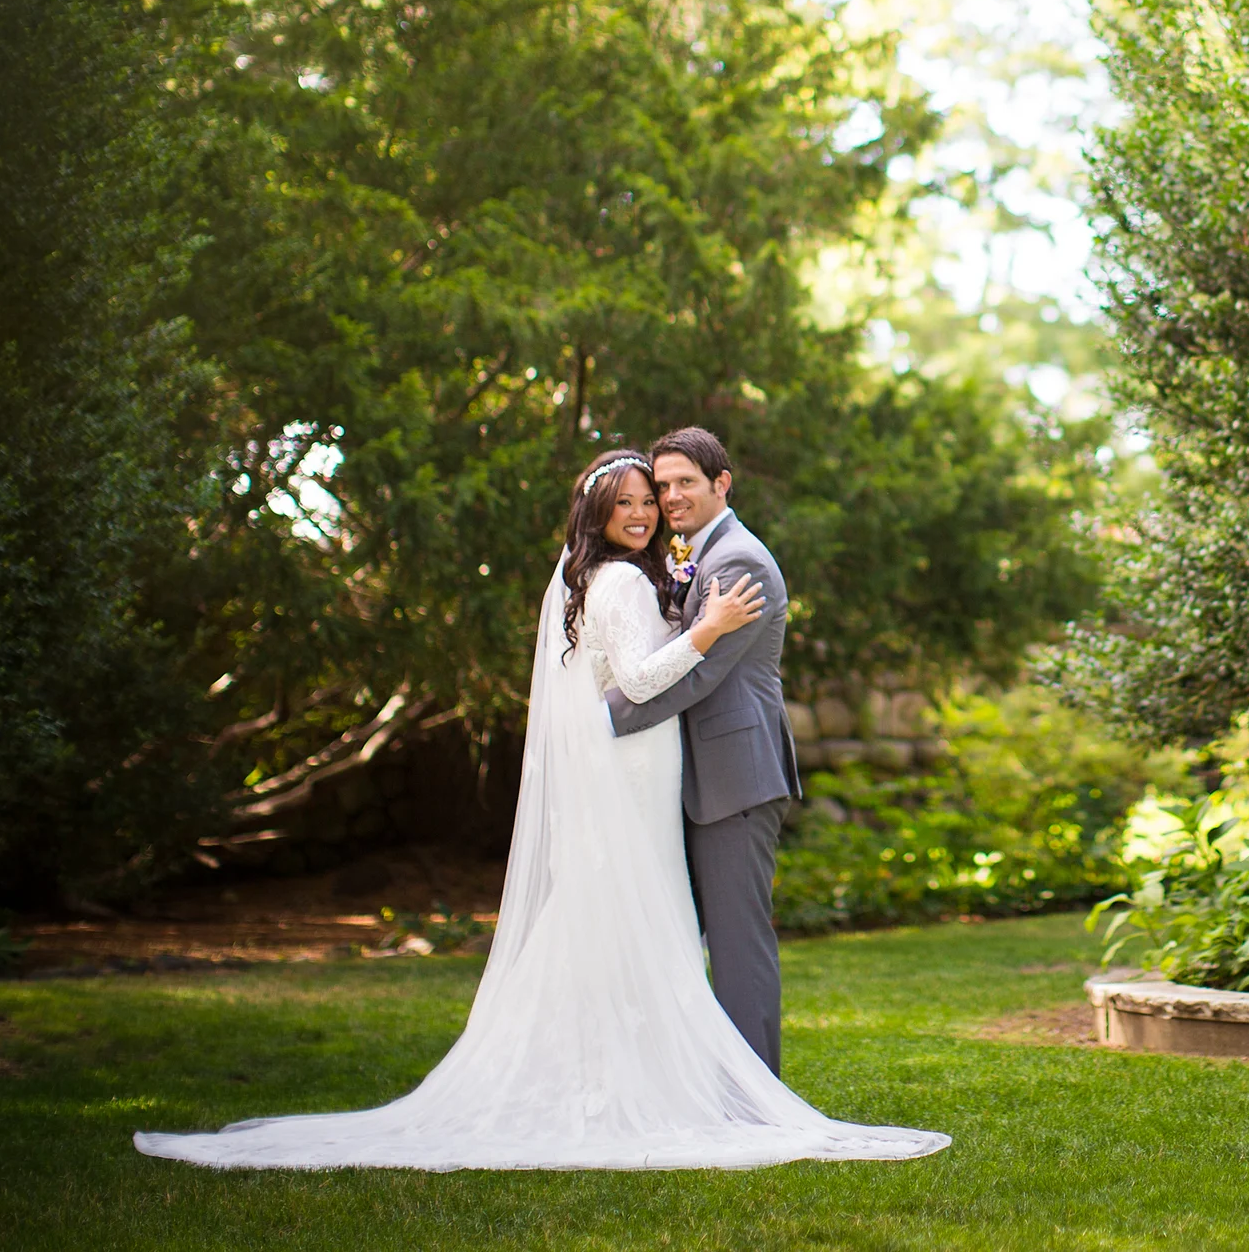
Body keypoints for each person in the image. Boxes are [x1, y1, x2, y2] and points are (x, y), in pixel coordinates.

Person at [132, 450, 949, 1171]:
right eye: (634, 497)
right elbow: (642, 677)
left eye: (660, 492)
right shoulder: (627, 576)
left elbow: (651, 681)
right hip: (636, 761)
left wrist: (655, 672)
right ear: (597, 514)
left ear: (717, 484)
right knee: (637, 918)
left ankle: (704, 1084)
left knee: (647, 923)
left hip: (678, 767)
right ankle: (667, 1086)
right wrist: (698, 636)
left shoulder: (703, 565)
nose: (649, 507)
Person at [602, 427, 795, 1073]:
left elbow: (700, 672)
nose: (670, 496)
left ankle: (755, 1097)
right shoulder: (699, 553)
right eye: (662, 485)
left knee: (739, 946)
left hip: (736, 779)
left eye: (685, 481)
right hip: (701, 777)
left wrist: (601, 721)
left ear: (722, 483)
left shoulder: (736, 561)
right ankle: (711, 1084)